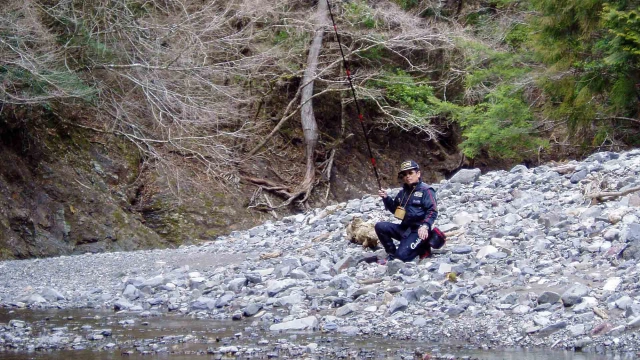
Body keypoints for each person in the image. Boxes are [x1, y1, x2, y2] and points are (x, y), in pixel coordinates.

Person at [375, 160, 438, 264]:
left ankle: (423, 247)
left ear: (418, 174)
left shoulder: (426, 190)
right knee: (380, 226)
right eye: (404, 174)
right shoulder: (402, 193)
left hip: (419, 231)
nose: (407, 176)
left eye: (410, 173)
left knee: (401, 258)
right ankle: (391, 254)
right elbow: (395, 210)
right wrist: (386, 198)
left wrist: (425, 226)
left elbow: (433, 210)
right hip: (405, 229)